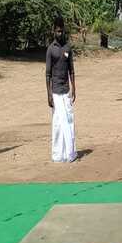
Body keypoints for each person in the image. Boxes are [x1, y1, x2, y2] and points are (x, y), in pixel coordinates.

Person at [46, 16, 77, 163]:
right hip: (56, 92)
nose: (60, 33)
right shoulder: (50, 49)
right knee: (58, 123)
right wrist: (49, 95)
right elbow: (47, 74)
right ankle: (58, 155)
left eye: (62, 31)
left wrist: (74, 88)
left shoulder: (68, 48)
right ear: (54, 31)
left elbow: (72, 70)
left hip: (66, 91)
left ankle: (70, 153)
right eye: (58, 31)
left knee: (69, 120)